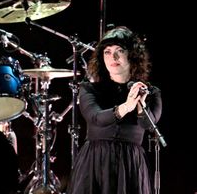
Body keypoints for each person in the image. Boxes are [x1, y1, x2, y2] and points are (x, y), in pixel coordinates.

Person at [66, 26, 162, 194]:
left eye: (120, 50)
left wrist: (140, 103)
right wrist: (126, 106)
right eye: (107, 52)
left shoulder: (150, 92)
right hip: (96, 160)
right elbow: (96, 118)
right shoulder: (89, 89)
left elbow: (148, 125)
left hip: (130, 162)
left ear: (132, 55)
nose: (113, 57)